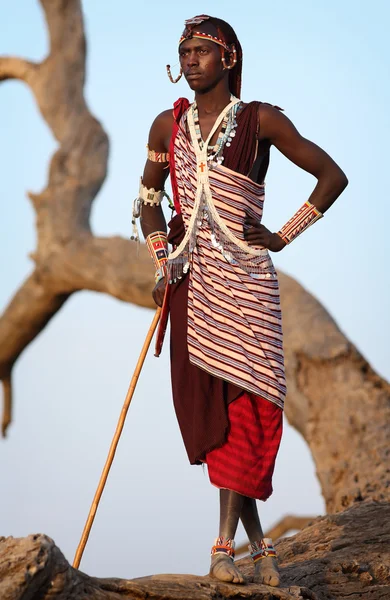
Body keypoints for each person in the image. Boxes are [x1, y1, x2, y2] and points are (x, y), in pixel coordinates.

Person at [133, 15, 348, 586]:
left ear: (228, 58)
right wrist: (164, 258)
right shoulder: (166, 126)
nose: (191, 61)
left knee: (252, 412)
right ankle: (258, 550)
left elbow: (332, 175)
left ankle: (222, 549)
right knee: (217, 417)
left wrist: (282, 234)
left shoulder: (262, 120)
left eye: (202, 51)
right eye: (184, 52)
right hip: (192, 284)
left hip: (249, 285)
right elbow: (149, 201)